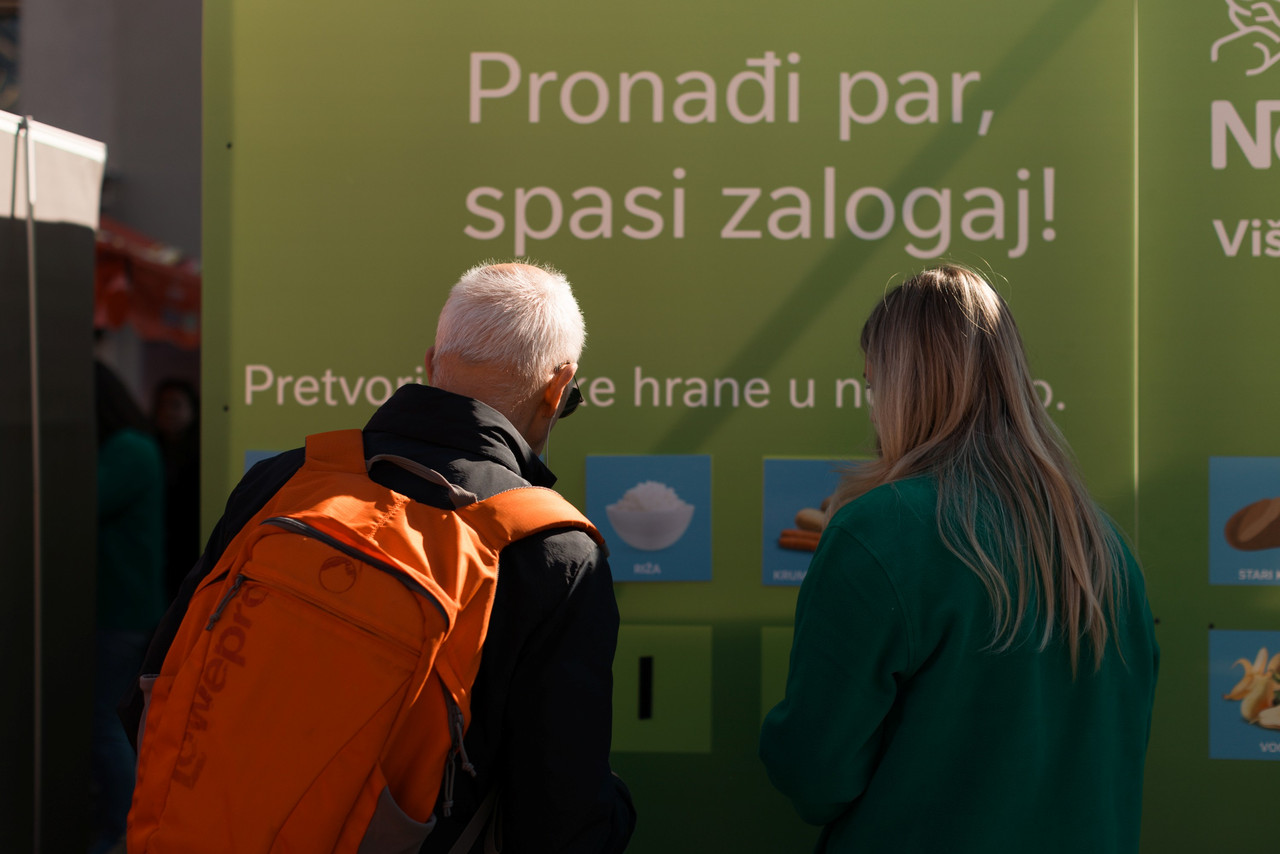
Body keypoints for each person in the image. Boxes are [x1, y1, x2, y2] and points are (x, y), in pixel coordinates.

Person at [120, 261, 635, 853]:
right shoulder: (552, 550)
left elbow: (155, 689)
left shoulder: (284, 480)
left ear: (432, 364)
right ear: (557, 387)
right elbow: (560, 817)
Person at [759, 265, 1158, 854]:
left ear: (902, 388)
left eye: (873, 386)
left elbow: (815, 774)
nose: (872, 412)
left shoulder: (880, 530)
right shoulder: (1102, 545)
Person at [91, 359, 167, 854]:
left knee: (105, 725)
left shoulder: (128, 450)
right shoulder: (128, 447)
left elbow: (81, 501)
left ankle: (125, 834)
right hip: (118, 610)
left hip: (121, 613)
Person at [150, 378, 201, 602]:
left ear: (193, 410)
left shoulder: (202, 456)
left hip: (188, 547)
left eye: (176, 405)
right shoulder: (149, 450)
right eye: (162, 405)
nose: (168, 412)